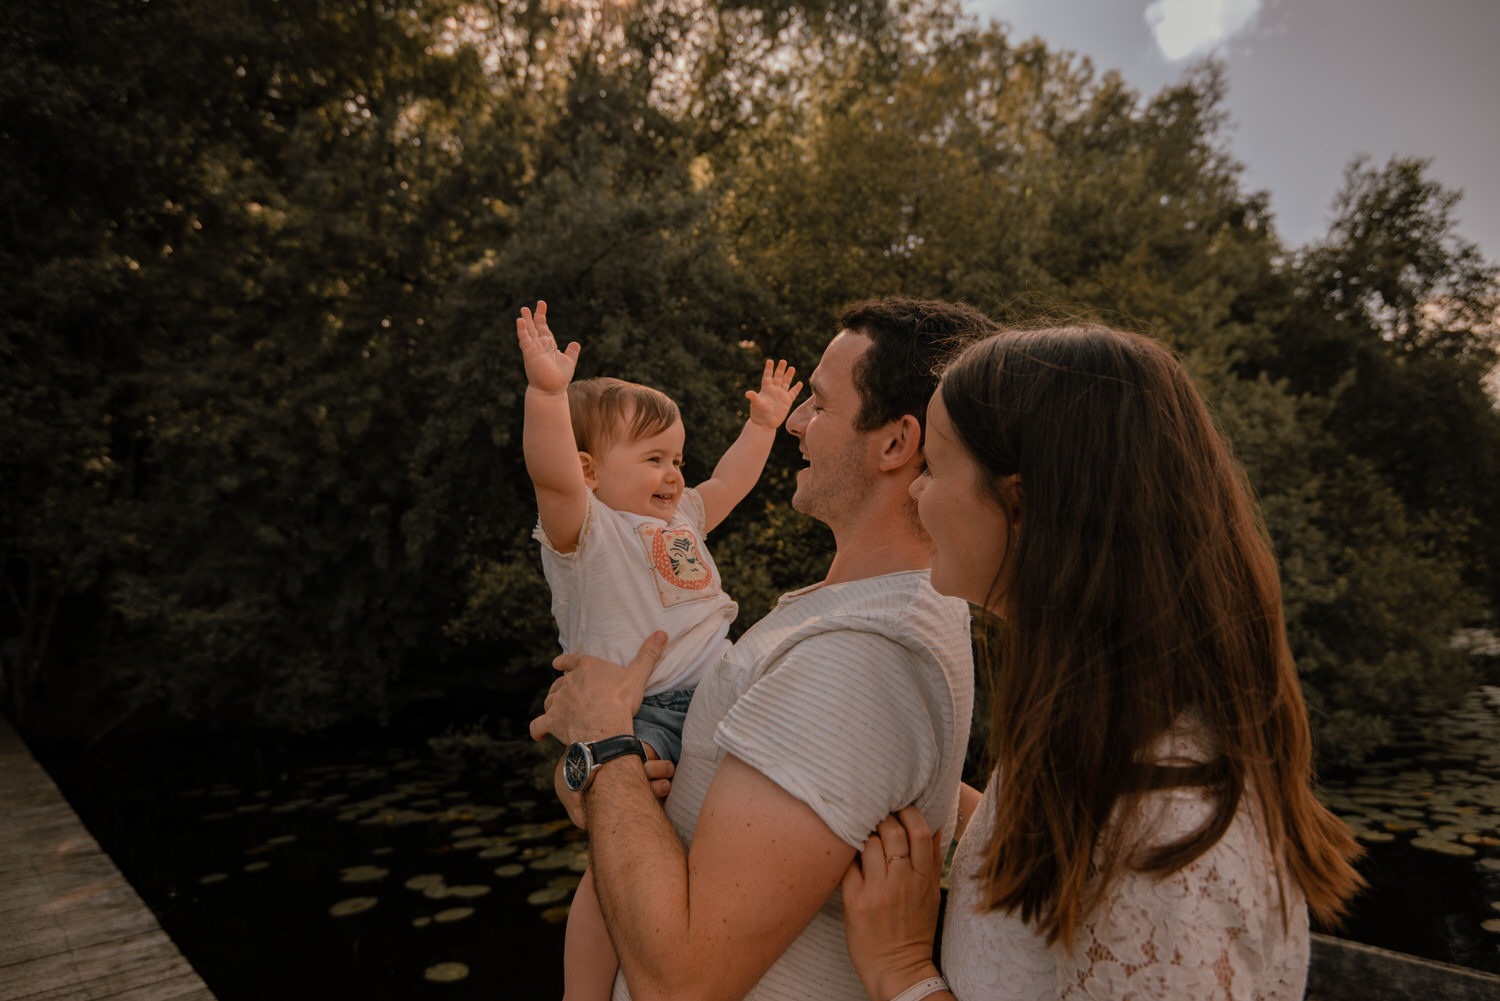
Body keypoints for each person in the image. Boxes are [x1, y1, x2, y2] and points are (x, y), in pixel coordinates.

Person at [840, 324, 1366, 1001]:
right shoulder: (1103, 736)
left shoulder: (1169, 839)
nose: (916, 492)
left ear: (1021, 506)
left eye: (935, 468)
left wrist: (904, 971)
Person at [530, 298, 999, 1000]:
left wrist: (602, 747)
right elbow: (855, 771)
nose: (798, 423)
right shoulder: (891, 605)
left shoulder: (855, 656)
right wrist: (610, 780)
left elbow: (680, 983)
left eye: (818, 401)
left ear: (895, 444)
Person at [515, 299, 801, 1001]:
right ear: (590, 469)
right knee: (614, 863)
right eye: (654, 459)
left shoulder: (682, 519)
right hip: (641, 714)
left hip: (726, 691)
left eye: (677, 457)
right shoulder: (587, 532)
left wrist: (761, 424)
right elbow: (550, 474)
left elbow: (729, 481)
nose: (675, 474)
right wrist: (548, 394)